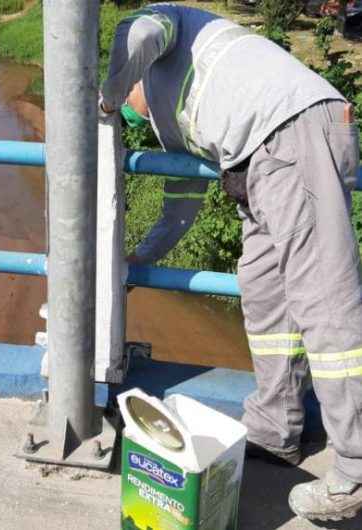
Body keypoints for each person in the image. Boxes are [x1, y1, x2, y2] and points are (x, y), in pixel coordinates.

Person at [100, 2, 362, 522]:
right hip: (259, 164)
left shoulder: (164, 26)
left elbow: (143, 32)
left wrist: (104, 99)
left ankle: (355, 470)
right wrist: (135, 264)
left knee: (323, 304)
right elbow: (180, 209)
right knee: (266, 299)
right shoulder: (172, 121)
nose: (137, 114)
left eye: (134, 104)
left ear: (137, 77)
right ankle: (276, 426)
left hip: (293, 132)